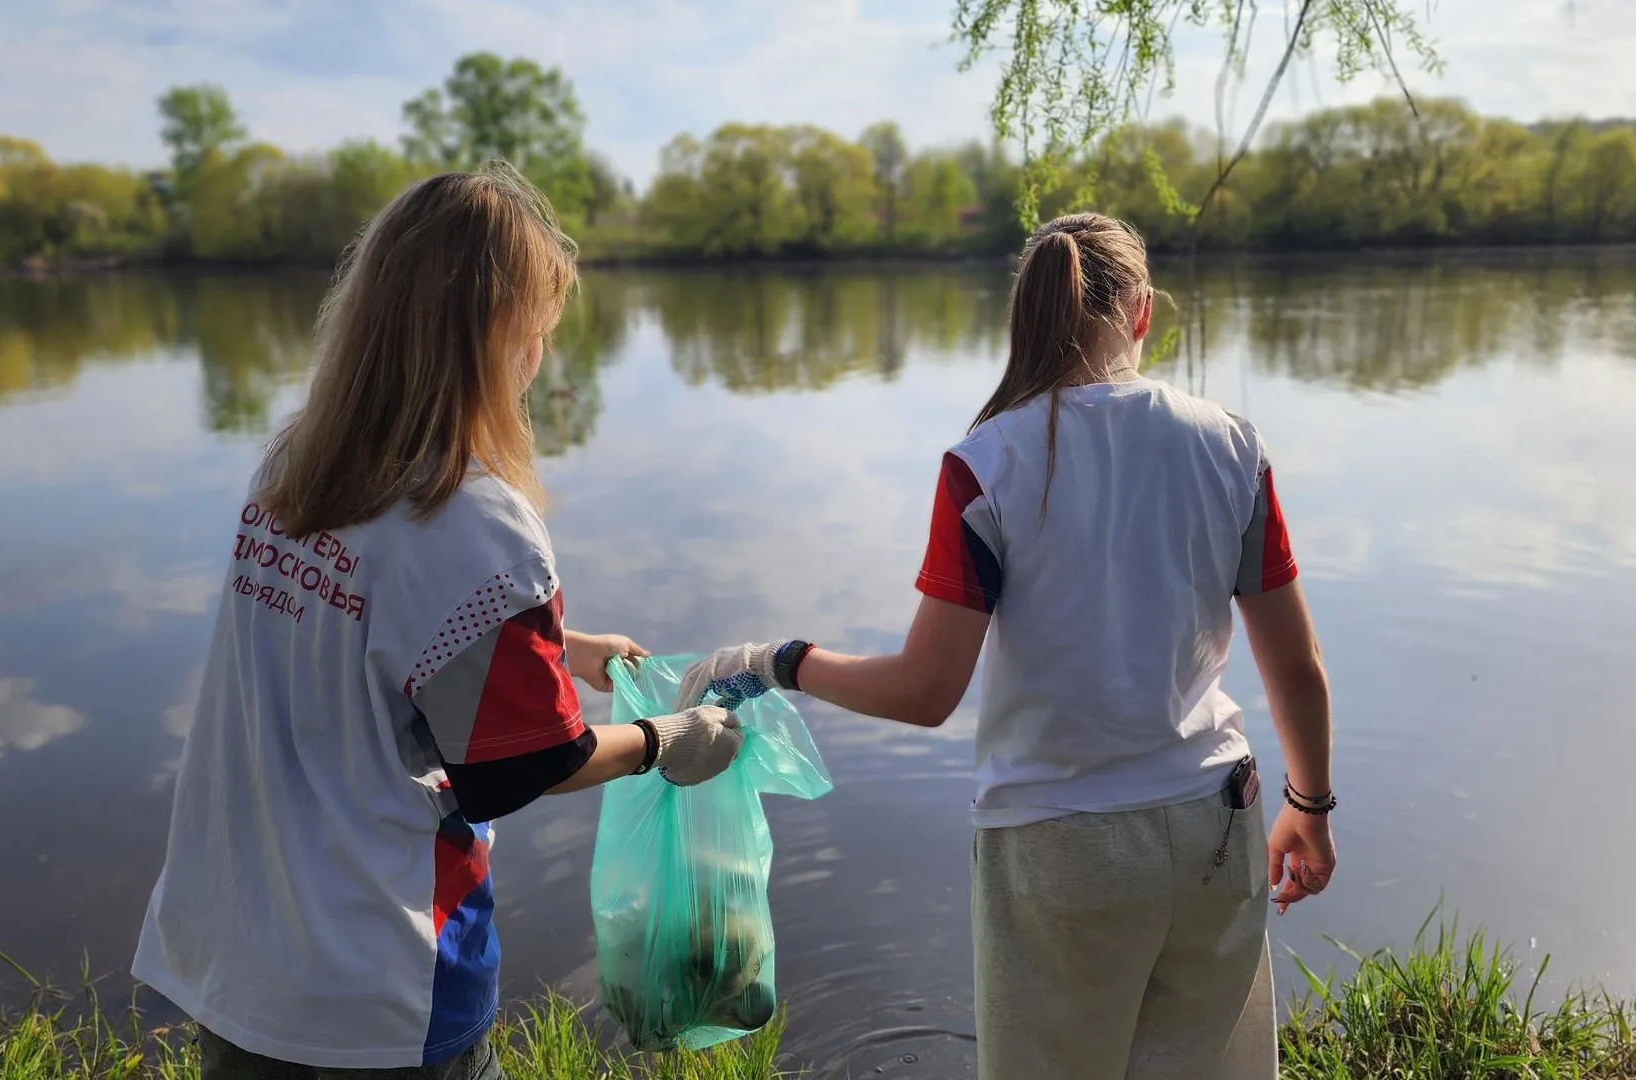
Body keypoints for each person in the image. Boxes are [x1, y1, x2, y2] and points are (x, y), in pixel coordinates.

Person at [677, 212, 1337, 1079]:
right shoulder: (1232, 446)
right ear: (1142, 313)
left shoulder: (985, 465)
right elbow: (1296, 666)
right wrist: (1312, 809)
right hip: (1218, 819)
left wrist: (775, 661)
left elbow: (925, 691)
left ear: (1025, 317)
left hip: (1061, 850)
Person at [132, 164, 744, 1080]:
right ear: (493, 337)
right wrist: (669, 739)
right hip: (378, 986)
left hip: (236, 955)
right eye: (536, 329)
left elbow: (353, 630)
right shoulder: (472, 517)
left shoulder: (303, 466)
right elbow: (529, 766)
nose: (541, 356)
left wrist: (561, 649)